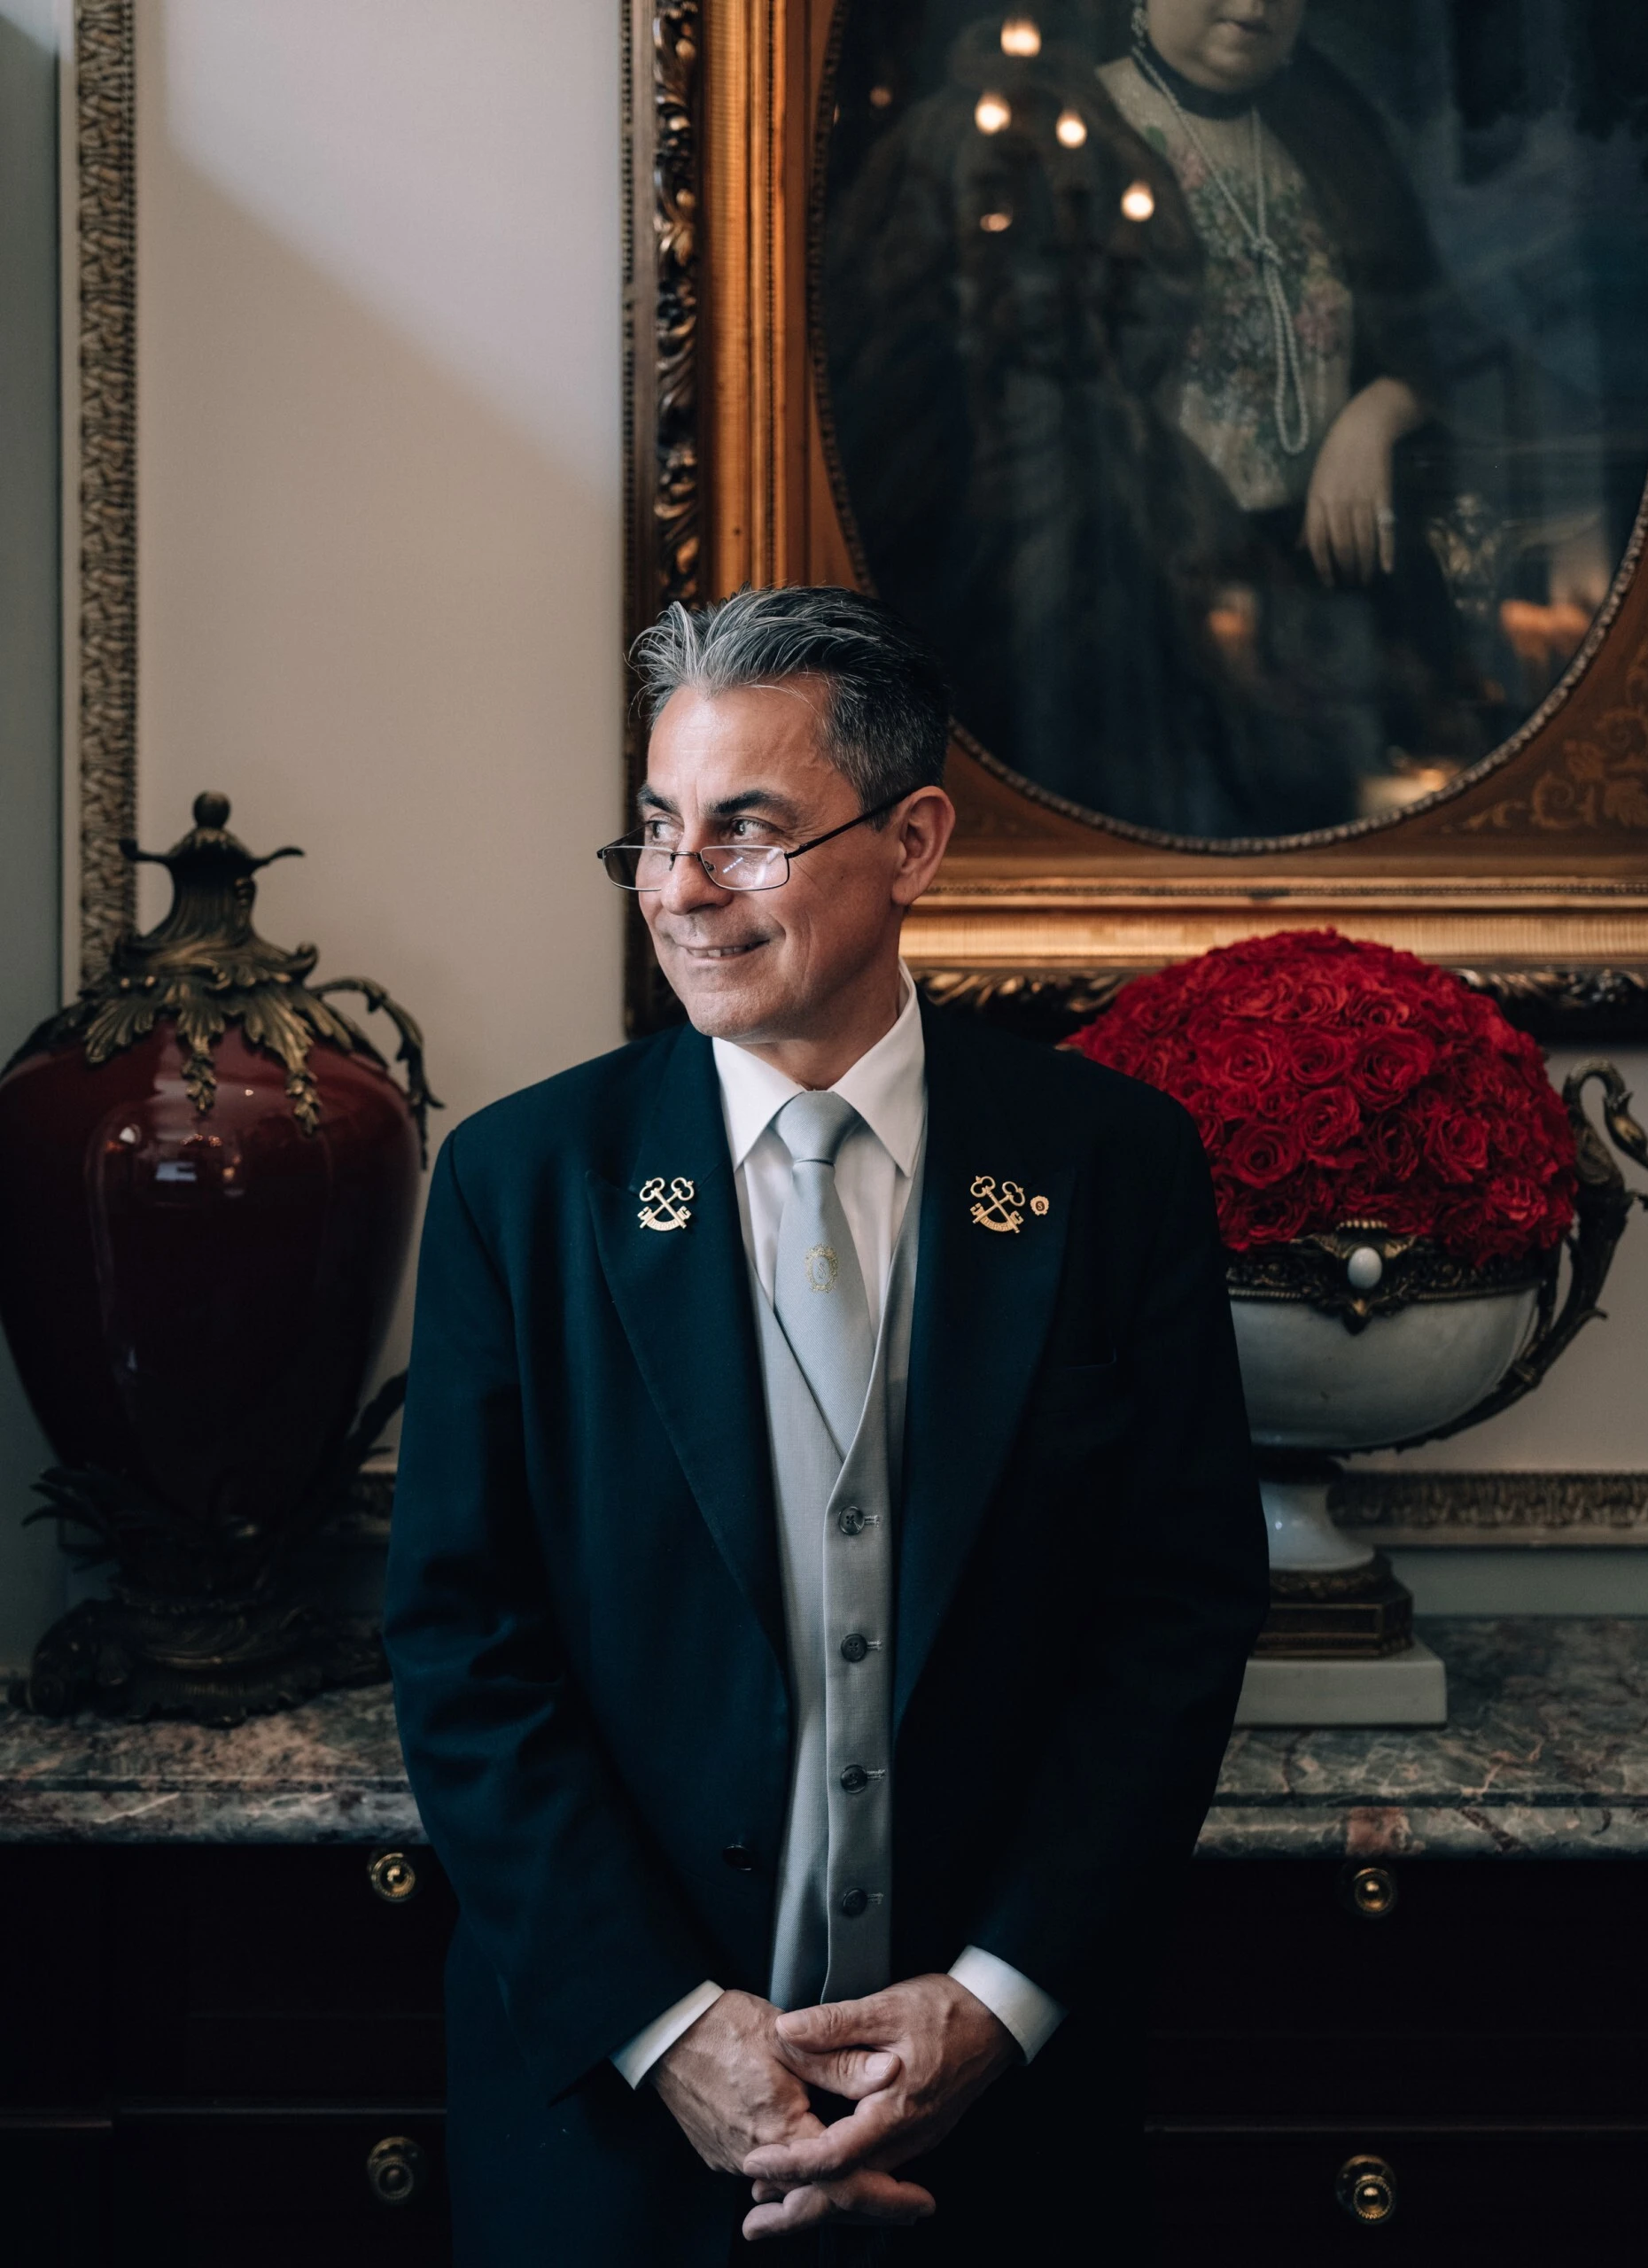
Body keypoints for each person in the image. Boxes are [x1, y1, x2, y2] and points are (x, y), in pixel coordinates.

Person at [385, 584, 1268, 2264]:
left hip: (1003, 2134)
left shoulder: (1114, 1171)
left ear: (914, 841)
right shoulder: (519, 1187)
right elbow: (459, 1644)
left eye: (748, 832)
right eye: (654, 832)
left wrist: (997, 2003)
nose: (681, 890)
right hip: (616, 2138)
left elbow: (1172, 1622)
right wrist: (669, 2030)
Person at [822, 1, 1488, 838]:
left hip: (1325, 596)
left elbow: (1434, 336)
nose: (1254, 4)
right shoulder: (1065, 138)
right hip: (1139, 597)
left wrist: (1377, 415)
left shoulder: (1334, 136)